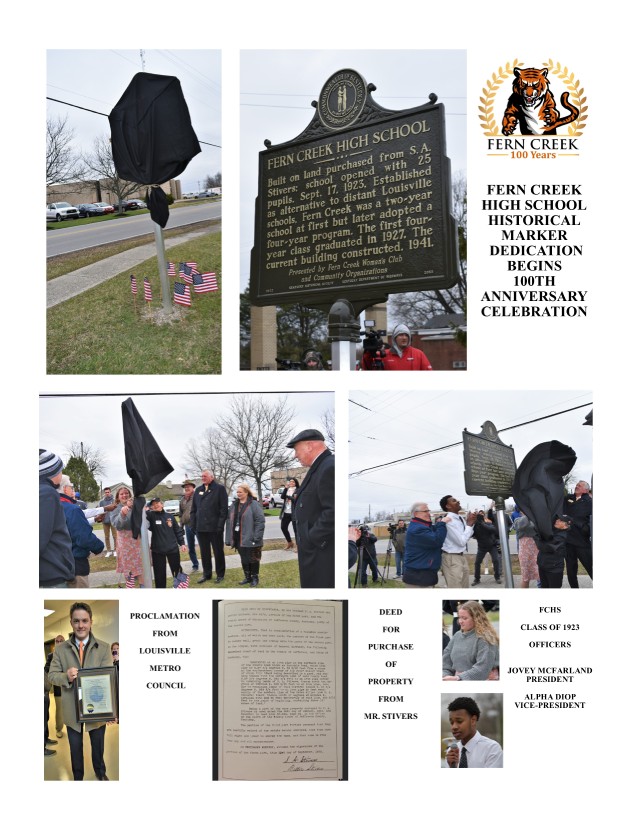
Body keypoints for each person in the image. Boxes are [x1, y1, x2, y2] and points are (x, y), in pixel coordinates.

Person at [47, 602, 114, 780]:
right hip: (72, 707)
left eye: (84, 621)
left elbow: (108, 679)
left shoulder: (104, 647)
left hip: (96, 707)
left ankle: (101, 773)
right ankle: (78, 778)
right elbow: (52, 675)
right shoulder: (60, 650)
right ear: (71, 622)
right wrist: (66, 677)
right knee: (75, 748)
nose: (81, 625)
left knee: (98, 745)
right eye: (76, 621)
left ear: (91, 622)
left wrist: (111, 710)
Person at [286, 429, 335, 588]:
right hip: (314, 552)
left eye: (296, 449)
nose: (295, 455)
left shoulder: (329, 467)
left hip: (321, 554)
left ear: (309, 445)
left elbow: (333, 511)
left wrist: (311, 537)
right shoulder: (319, 468)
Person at [58, 475, 104, 587]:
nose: (73, 491)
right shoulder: (72, 509)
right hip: (75, 563)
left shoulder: (51, 506)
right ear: (65, 489)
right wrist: (99, 547)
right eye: (71, 487)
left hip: (56, 564)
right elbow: (83, 536)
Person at [39, 449, 74, 588]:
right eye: (60, 470)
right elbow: (40, 536)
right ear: (52, 472)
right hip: (50, 575)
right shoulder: (46, 493)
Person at [442, 601, 499, 681]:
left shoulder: (486, 638)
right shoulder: (457, 635)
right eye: (459, 617)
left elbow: (483, 668)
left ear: (476, 618)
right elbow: (446, 661)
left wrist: (458, 678)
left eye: (464, 618)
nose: (460, 621)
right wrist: (445, 676)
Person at [191, 469, 229, 584]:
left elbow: (223, 510)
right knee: (204, 552)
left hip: (215, 528)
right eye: (202, 476)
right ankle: (206, 574)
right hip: (201, 528)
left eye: (205, 476)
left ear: (211, 477)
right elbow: (193, 510)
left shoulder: (219, 489)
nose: (203, 478)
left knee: (218, 552)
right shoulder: (198, 490)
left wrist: (220, 526)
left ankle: (220, 574)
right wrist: (193, 524)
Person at [225, 483, 265, 586]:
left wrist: (257, 537)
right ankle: (247, 577)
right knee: (244, 558)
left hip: (252, 538)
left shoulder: (254, 504)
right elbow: (229, 521)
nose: (238, 494)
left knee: (254, 559)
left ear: (246, 492)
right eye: (237, 492)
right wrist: (229, 538)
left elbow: (260, 521)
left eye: (240, 492)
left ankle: (255, 577)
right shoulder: (234, 505)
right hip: (239, 538)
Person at [445, 696, 503, 768]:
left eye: (459, 721)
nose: (454, 727)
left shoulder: (492, 749)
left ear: (473, 720)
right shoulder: (451, 752)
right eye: (451, 722)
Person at [402, 503, 447, 587]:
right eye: (425, 511)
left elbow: (433, 530)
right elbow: (437, 540)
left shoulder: (422, 526)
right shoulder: (417, 529)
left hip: (423, 574)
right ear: (415, 514)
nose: (428, 513)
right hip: (418, 577)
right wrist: (442, 524)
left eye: (428, 511)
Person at [146, 497, 187, 588]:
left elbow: (177, 531)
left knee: (177, 571)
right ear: (151, 507)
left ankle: (180, 587)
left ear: (162, 504)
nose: (156, 505)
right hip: (158, 551)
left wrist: (182, 543)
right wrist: (147, 508)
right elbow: (142, 513)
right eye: (153, 504)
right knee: (159, 575)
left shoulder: (170, 516)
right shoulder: (151, 516)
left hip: (172, 549)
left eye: (157, 503)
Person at [439, 495, 477, 589]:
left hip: (461, 556)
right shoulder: (449, 521)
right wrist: (469, 525)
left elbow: (468, 535)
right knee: (456, 590)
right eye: (454, 501)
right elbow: (461, 541)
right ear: (448, 506)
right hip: (451, 558)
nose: (458, 501)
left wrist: (471, 524)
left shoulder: (459, 518)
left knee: (464, 588)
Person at [360, 323, 433, 371]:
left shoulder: (419, 354)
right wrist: (368, 352)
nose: (404, 338)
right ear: (395, 338)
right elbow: (366, 368)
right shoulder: (384, 354)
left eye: (406, 335)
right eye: (401, 335)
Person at [111, 486, 144, 587]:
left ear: (130, 495)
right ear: (118, 497)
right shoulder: (115, 508)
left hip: (137, 541)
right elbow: (117, 525)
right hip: (124, 543)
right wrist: (122, 514)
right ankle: (130, 588)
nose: (124, 495)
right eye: (121, 494)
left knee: (140, 567)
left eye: (126, 493)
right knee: (128, 569)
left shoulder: (135, 506)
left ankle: (143, 587)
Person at [563, 480, 593, 587]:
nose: (576, 486)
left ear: (586, 489)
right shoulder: (568, 498)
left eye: (579, 486)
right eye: (576, 485)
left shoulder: (590, 502)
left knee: (591, 568)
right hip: (568, 542)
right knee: (571, 571)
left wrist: (576, 522)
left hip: (582, 542)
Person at [471, 512, 501, 586]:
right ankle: (477, 579)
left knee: (496, 560)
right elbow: (471, 534)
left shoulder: (488, 524)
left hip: (492, 546)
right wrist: (473, 526)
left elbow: (494, 530)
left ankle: (497, 577)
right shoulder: (475, 527)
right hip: (482, 547)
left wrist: (482, 524)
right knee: (477, 562)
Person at [515, 512, 540, 588]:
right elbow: (520, 526)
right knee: (525, 578)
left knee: (541, 576)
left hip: (537, 550)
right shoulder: (518, 520)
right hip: (525, 553)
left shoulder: (538, 519)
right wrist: (528, 514)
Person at [179, 480, 199, 572]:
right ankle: (195, 565)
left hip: (198, 524)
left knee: (203, 546)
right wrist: (181, 526)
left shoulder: (197, 496)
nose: (186, 488)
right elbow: (181, 514)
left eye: (188, 486)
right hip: (187, 525)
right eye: (185, 487)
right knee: (191, 547)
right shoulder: (182, 500)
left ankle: (207, 564)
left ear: (193, 487)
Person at [279, 478, 299, 550]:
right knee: (283, 527)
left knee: (296, 530)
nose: (291, 482)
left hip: (294, 513)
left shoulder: (297, 490)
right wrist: (285, 488)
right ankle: (290, 542)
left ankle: (298, 545)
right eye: (290, 481)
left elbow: (295, 500)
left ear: (295, 483)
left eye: (293, 481)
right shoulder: (287, 489)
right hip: (286, 512)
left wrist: (289, 497)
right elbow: (282, 497)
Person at [99, 487, 118, 557]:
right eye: (106, 492)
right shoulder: (101, 502)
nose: (107, 493)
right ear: (104, 493)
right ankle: (109, 551)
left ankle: (116, 550)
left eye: (108, 492)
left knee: (115, 536)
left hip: (113, 521)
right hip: (105, 521)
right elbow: (100, 511)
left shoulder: (114, 501)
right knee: (107, 537)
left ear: (110, 492)